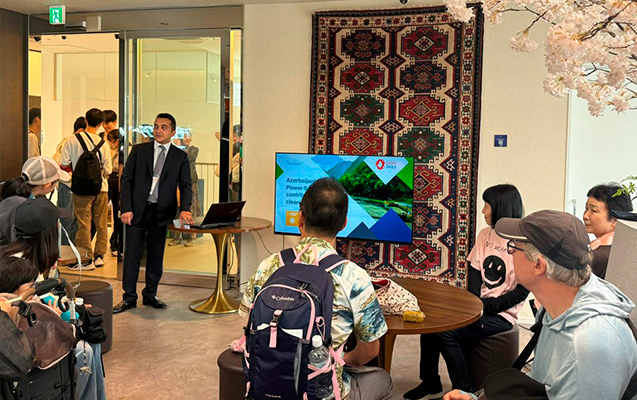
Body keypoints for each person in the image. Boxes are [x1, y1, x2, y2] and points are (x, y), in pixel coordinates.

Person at [445, 210, 637, 400]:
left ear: (538, 265)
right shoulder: (557, 305)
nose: (510, 253)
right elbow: (543, 384)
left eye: (513, 247)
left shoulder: (590, 349)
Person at [240, 177, 393, 400]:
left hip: (265, 385)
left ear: (300, 218)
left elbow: (247, 323)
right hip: (322, 392)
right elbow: (370, 350)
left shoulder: (268, 266)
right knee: (383, 380)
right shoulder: (354, 277)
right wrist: (341, 360)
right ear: (344, 224)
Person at [404, 184, 529, 400]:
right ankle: (430, 381)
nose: (483, 211)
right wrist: (474, 306)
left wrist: (487, 307)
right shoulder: (485, 234)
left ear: (500, 207)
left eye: (487, 206)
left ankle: (464, 390)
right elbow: (474, 271)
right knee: (432, 322)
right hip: (479, 307)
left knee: (445, 333)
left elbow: (523, 290)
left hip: (501, 315)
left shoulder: (523, 243)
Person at [114, 113, 194, 314]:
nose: (158, 130)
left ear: (173, 132)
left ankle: (150, 294)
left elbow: (186, 185)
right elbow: (127, 180)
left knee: (156, 255)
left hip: (162, 212)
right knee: (132, 255)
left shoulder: (179, 156)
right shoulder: (139, 151)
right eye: (156, 126)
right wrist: (126, 208)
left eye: (164, 127)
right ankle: (129, 297)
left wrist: (185, 208)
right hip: (137, 211)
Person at [61, 108, 112, 270]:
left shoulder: (71, 140)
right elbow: (108, 169)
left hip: (81, 188)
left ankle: (85, 259)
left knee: (83, 223)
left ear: (85, 120)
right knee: (101, 223)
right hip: (101, 187)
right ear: (101, 124)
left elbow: (64, 163)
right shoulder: (104, 144)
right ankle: (99, 256)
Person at [0, 157, 70, 247]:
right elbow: (19, 245)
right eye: (56, 182)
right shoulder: (23, 207)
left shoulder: (18, 197)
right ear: (47, 185)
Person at [0, 198, 69, 279]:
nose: (59, 225)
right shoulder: (18, 267)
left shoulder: (35, 256)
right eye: (57, 222)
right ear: (49, 231)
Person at [583, 183, 633, 279]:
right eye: (586, 209)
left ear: (615, 219)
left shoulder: (599, 255)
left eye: (594, 211)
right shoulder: (627, 245)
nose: (585, 216)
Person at [54, 116, 87, 245]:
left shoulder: (72, 141)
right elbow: (60, 163)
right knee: (67, 219)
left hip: (75, 185)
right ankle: (64, 247)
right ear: (81, 130)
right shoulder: (68, 142)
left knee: (75, 220)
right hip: (67, 185)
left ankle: (71, 247)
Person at [169, 131, 200, 247]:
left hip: (190, 184)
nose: (187, 138)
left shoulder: (193, 150)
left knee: (190, 210)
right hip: (176, 183)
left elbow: (187, 157)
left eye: (189, 136)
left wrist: (178, 147)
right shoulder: (175, 150)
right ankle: (177, 236)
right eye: (184, 136)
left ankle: (192, 236)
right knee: (177, 211)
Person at [106, 129, 122, 256]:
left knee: (118, 216)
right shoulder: (117, 152)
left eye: (110, 141)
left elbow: (118, 170)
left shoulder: (123, 152)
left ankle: (116, 244)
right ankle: (115, 244)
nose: (109, 144)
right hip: (112, 183)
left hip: (117, 184)